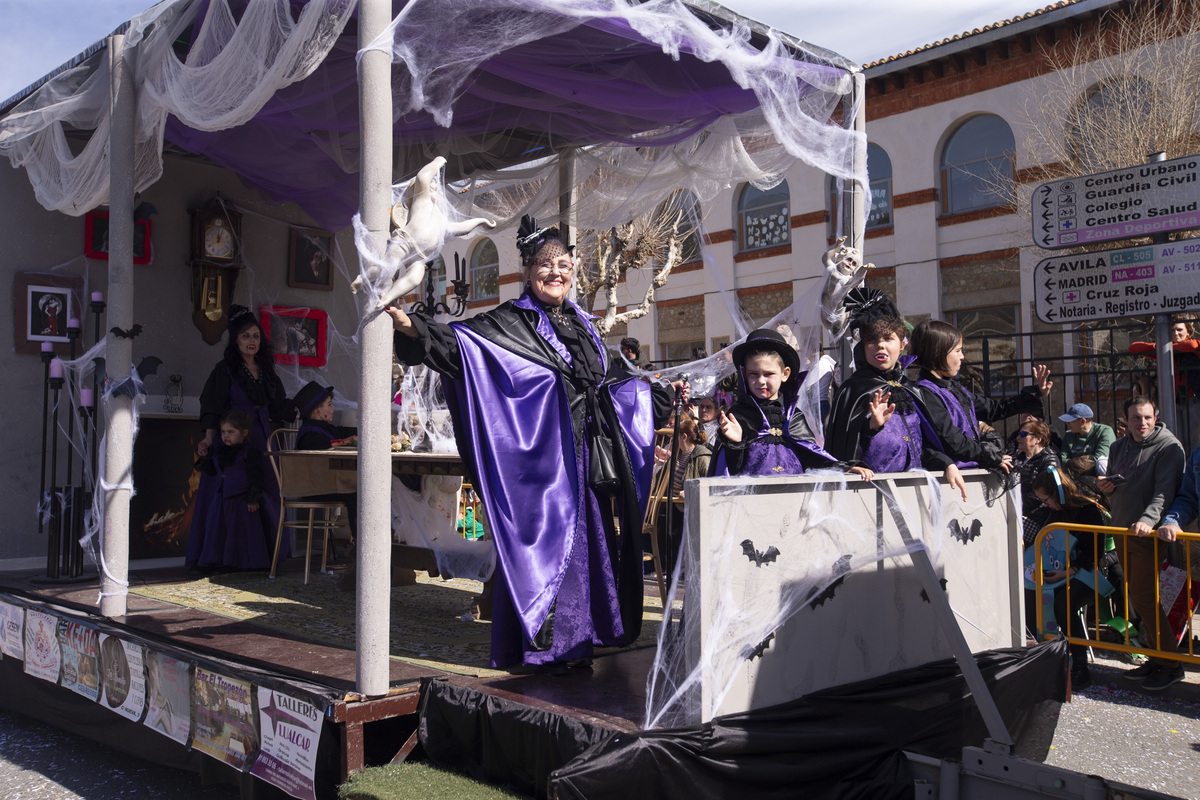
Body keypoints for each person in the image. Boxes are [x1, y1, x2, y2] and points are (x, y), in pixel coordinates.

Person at [387, 215, 682, 671]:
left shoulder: (585, 325)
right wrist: (415, 328)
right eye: (545, 265)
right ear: (527, 271)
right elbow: (463, 346)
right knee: (541, 548)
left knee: (586, 549)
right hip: (541, 464)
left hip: (586, 461)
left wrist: (656, 396)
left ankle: (578, 642)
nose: (555, 273)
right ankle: (541, 648)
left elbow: (612, 383)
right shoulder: (508, 323)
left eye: (563, 264)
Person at [188, 305, 293, 571]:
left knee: (265, 492)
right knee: (232, 495)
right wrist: (211, 439)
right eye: (246, 336)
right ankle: (227, 558)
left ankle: (263, 557)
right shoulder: (224, 371)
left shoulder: (267, 371)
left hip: (262, 440)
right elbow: (211, 407)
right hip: (232, 443)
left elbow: (278, 405)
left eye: (256, 336)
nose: (252, 341)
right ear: (236, 339)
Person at [825, 289, 958, 493]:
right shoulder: (852, 389)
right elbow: (841, 450)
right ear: (863, 347)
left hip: (914, 493)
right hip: (869, 493)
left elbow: (925, 444)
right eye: (872, 340)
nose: (880, 345)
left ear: (902, 344)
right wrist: (870, 426)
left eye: (888, 338)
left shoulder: (911, 389)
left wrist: (946, 463)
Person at [1099, 396, 1186, 692]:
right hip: (1122, 531)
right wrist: (1106, 488)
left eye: (1147, 417)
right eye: (1136, 417)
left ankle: (1172, 663)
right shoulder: (1117, 447)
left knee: (1147, 599)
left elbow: (1165, 491)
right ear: (1125, 419)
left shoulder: (1168, 446)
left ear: (1156, 416)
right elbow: (1118, 489)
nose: (1143, 423)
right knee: (1139, 599)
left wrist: (1149, 519)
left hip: (1146, 534)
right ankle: (1156, 656)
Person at [713, 327, 871, 481]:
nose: (761, 381)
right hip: (752, 502)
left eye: (769, 374)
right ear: (744, 373)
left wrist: (842, 468)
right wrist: (736, 444)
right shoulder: (737, 416)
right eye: (754, 374)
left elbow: (812, 458)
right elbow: (728, 472)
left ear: (784, 374)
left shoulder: (792, 416)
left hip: (794, 499)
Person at [908, 319, 1052, 475]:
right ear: (937, 352)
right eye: (957, 351)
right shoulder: (926, 393)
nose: (962, 356)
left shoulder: (954, 388)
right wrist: (991, 455)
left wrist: (1036, 393)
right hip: (949, 478)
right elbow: (952, 441)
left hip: (968, 473)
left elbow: (993, 409)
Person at [1023, 466, 1114, 689]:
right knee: (1028, 595)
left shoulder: (1089, 510)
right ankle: (1047, 654)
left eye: (1046, 499)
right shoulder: (1054, 510)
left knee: (1064, 603)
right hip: (1059, 570)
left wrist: (1067, 572)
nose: (1043, 503)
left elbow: (1095, 553)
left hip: (1088, 572)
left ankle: (1081, 667)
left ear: (1058, 493)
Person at [189, 410, 273, 571]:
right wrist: (206, 455)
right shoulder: (219, 451)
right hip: (221, 500)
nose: (226, 436)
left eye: (231, 432)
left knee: (240, 531)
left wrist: (253, 498)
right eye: (223, 432)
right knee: (219, 530)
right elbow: (213, 471)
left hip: (240, 501)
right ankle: (220, 561)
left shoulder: (249, 452)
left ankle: (242, 562)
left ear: (244, 432)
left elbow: (255, 475)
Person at [292, 381, 359, 540]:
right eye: (329, 405)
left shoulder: (324, 428)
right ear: (317, 410)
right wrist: (347, 441)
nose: (333, 408)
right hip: (314, 487)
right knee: (360, 494)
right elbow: (327, 447)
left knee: (362, 489)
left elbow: (342, 432)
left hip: (327, 483)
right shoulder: (310, 434)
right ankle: (361, 542)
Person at [1129, 320, 1200, 401]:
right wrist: (1159, 346)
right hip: (1171, 400)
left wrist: (1164, 347)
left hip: (1194, 398)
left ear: (1188, 332)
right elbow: (1133, 348)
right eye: (1172, 330)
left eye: (1179, 330)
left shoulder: (1195, 342)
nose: (1175, 333)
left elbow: (1191, 346)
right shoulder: (1164, 350)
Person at [1015, 419, 1060, 520]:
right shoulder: (1018, 458)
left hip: (1037, 517)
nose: (1018, 438)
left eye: (1023, 434)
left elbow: (1044, 493)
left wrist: (1016, 503)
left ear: (1038, 439)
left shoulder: (1050, 460)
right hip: (1018, 511)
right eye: (1018, 434)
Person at [1058, 403, 1116, 477]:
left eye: (1070, 421)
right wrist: (1088, 458)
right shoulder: (1068, 435)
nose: (1067, 423)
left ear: (1082, 421)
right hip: (1074, 479)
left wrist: (1073, 461)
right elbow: (1063, 461)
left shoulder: (1104, 432)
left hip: (1097, 479)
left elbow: (1100, 460)